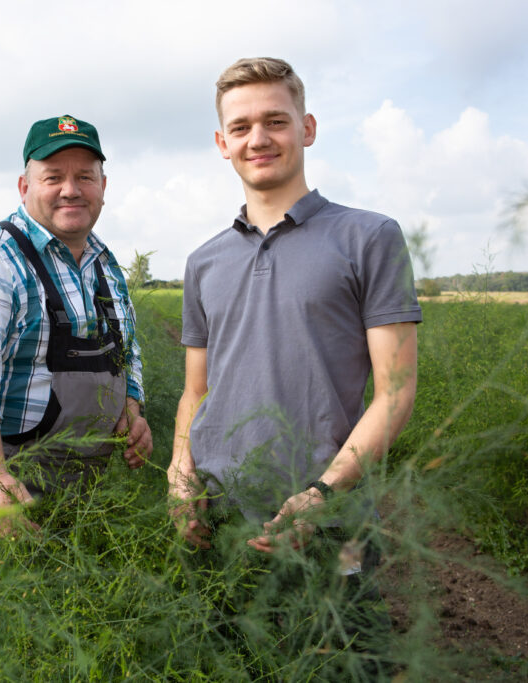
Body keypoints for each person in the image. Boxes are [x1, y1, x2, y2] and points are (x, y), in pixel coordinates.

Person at [168, 57, 422, 670]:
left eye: (275, 121)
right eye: (242, 126)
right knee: (235, 662)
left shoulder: (368, 237)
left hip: (328, 518)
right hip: (221, 515)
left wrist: (321, 494)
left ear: (306, 129)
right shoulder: (204, 261)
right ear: (222, 143)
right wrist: (180, 472)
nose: (259, 139)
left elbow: (396, 390)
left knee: (347, 660)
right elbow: (195, 391)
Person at [0, 114, 151, 679]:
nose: (70, 188)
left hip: (75, 478)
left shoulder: (104, 264)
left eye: (85, 175)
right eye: (53, 175)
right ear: (25, 186)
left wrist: (132, 408)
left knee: (51, 621)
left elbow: (127, 349)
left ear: (102, 185)